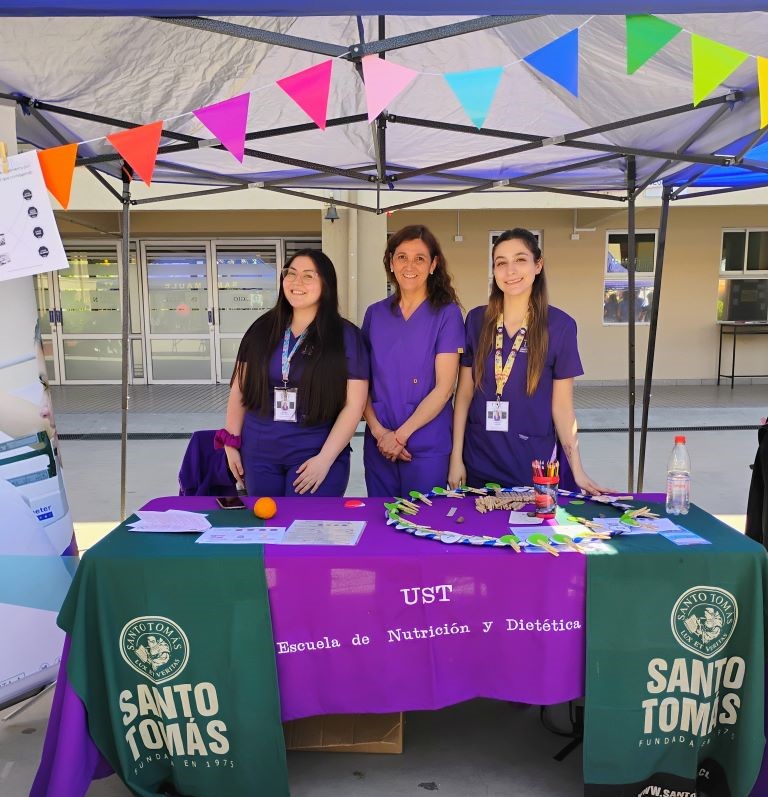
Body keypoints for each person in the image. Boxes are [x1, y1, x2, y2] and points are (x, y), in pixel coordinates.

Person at [448, 228, 607, 494]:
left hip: (534, 464)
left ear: (538, 265)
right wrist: (456, 458)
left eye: (520, 260)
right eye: (501, 262)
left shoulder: (560, 326)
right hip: (479, 460)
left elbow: (563, 407)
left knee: (531, 534)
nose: (510, 271)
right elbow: (463, 395)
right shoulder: (476, 321)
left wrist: (577, 469)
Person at [220, 249, 369, 497]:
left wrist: (325, 459)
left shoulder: (345, 336)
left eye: (308, 276)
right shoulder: (261, 329)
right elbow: (239, 389)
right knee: (267, 529)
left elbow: (355, 405)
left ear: (326, 284)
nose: (297, 282)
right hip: (259, 454)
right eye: (291, 274)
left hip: (315, 453)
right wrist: (231, 443)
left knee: (308, 531)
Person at [362, 225, 464, 496]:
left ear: (433, 265)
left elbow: (444, 388)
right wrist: (378, 432)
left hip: (426, 446)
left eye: (420, 258)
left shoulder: (447, 315)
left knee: (423, 526)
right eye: (402, 257)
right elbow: (361, 383)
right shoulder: (375, 315)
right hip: (379, 444)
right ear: (391, 263)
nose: (410, 265)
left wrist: (399, 436)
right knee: (381, 526)